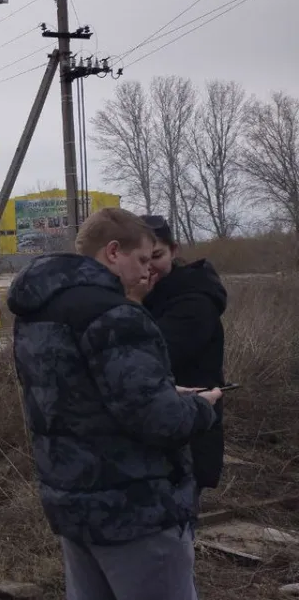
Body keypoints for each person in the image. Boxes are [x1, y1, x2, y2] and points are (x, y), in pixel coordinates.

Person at [6, 207, 223, 600]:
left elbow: (80, 397)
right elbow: (159, 420)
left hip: (71, 502)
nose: (147, 272)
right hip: (134, 508)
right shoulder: (117, 315)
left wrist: (159, 392)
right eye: (141, 259)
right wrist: (203, 406)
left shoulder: (37, 313)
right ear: (112, 252)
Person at [132, 215, 228, 509]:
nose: (148, 267)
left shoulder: (193, 301)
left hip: (187, 435)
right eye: (141, 259)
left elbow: (146, 359)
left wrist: (132, 302)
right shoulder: (155, 294)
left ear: (174, 250)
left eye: (156, 256)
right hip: (161, 431)